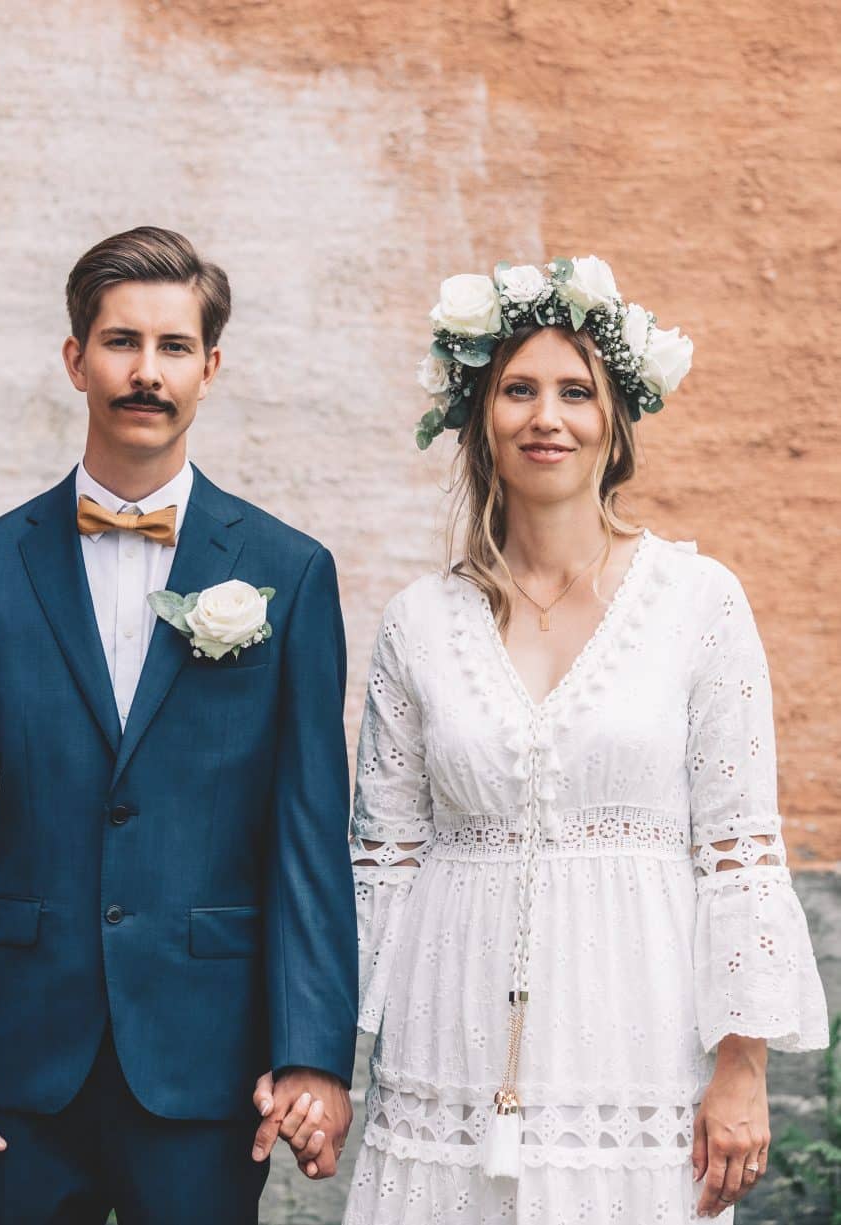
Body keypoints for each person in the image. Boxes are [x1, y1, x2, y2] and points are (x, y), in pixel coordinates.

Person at [343, 256, 829, 1223]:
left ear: (616, 420)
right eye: (518, 389)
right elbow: (382, 863)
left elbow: (738, 849)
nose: (547, 417)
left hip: (637, 1033)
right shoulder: (417, 621)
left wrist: (742, 1064)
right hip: (452, 1035)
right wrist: (324, 1061)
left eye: (575, 391)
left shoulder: (699, 602)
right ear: (481, 415)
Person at [0, 225, 356, 1223]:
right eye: (120, 342)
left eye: (173, 346)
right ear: (76, 360)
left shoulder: (291, 572)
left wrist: (313, 1051)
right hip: (21, 1064)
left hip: (208, 1059)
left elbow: (308, 834)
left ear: (209, 368)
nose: (147, 371)